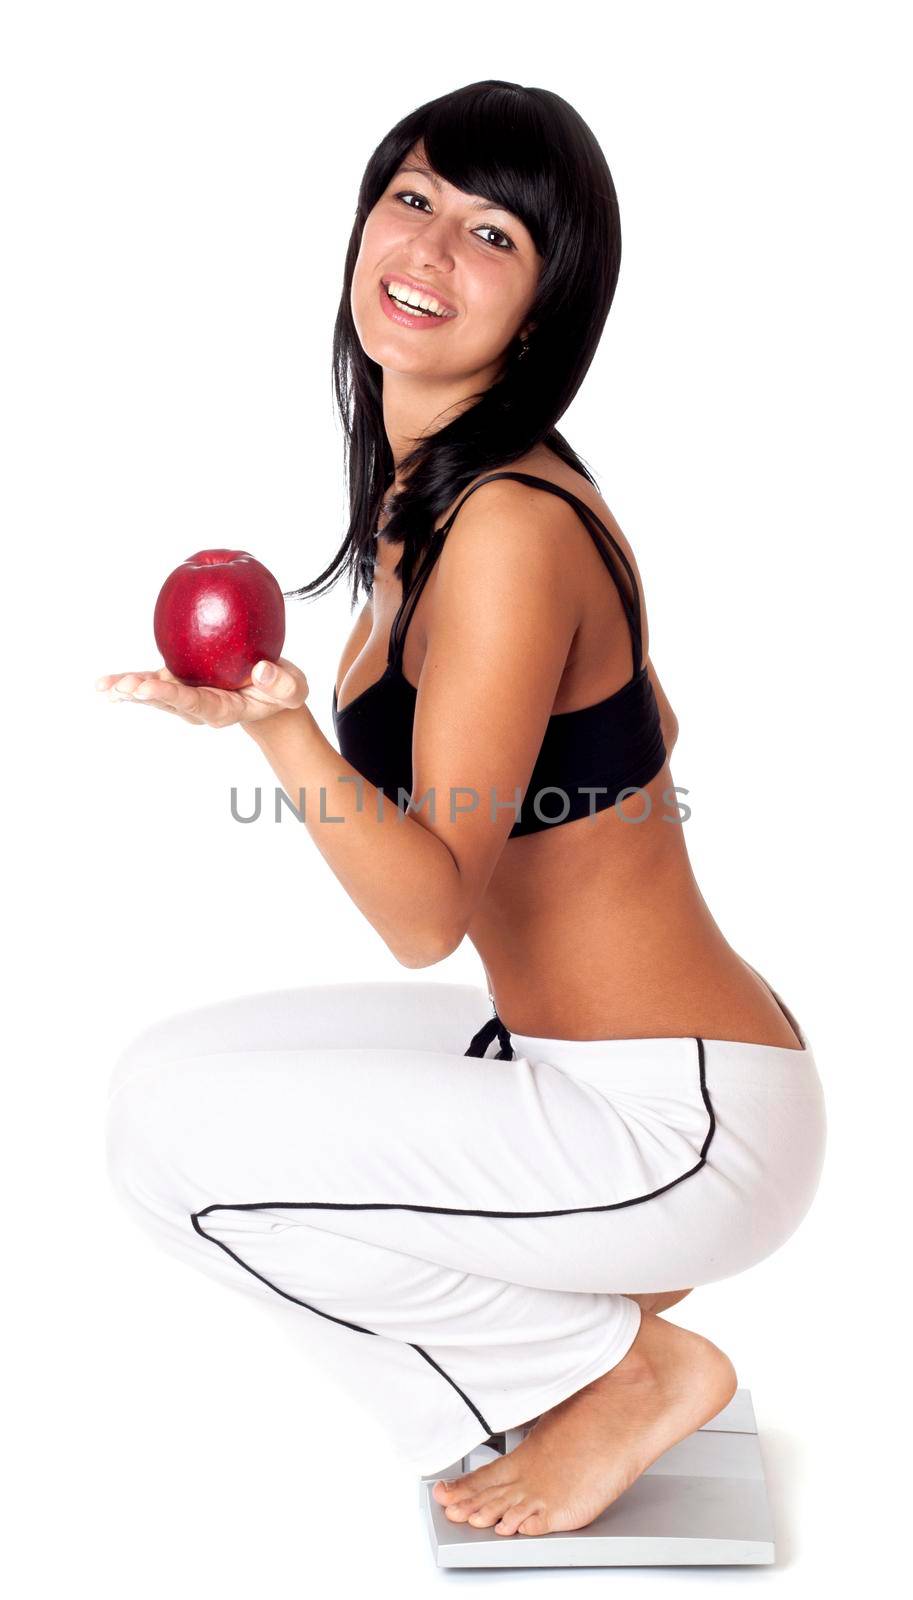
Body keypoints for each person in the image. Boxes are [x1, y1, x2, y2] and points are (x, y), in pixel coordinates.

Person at [98, 80, 827, 1539]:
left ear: (548, 303)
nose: (427, 250)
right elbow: (564, 768)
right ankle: (570, 1362)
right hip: (577, 1065)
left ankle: (611, 1377)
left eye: (492, 232)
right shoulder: (433, 492)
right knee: (150, 1090)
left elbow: (425, 913)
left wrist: (283, 727)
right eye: (412, 198)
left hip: (676, 1127)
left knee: (190, 1151)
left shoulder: (504, 525)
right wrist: (276, 721)